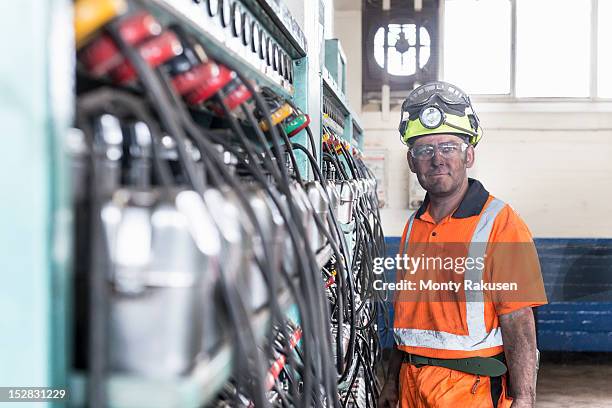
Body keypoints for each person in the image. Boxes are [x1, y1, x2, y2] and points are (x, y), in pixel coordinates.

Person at [378, 81, 547, 408]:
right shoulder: (415, 225)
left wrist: (525, 397)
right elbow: (406, 315)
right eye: (424, 150)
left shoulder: (501, 222)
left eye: (448, 147)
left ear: (469, 155)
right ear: (412, 162)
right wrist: (392, 381)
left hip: (471, 391)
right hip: (412, 386)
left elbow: (518, 319)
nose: (437, 159)